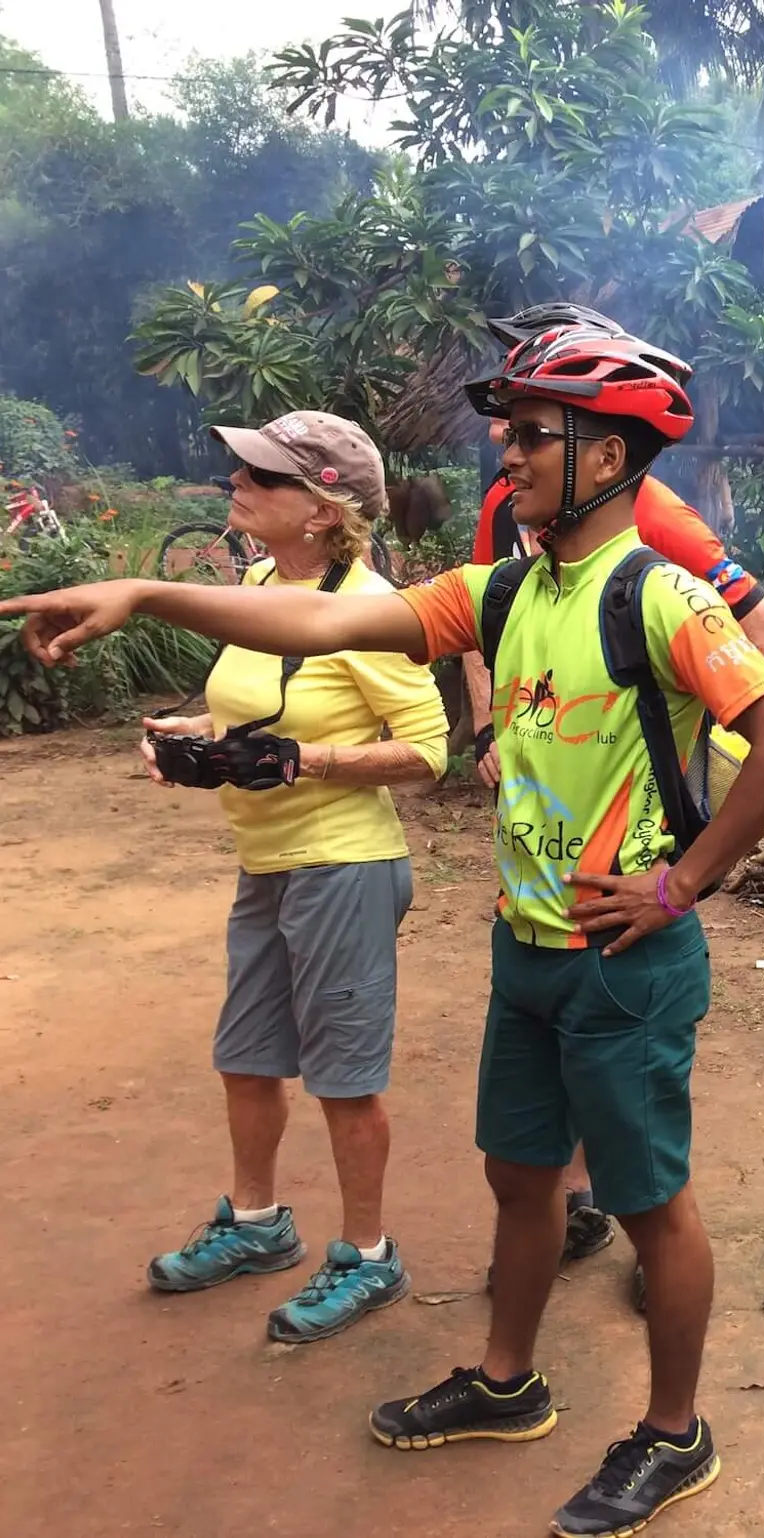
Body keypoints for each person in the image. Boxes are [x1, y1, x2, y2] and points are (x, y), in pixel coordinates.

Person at [1, 328, 764, 1536]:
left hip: (624, 960)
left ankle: (672, 1434)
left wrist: (677, 884)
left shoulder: (660, 590)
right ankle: (506, 1383)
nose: (508, 449)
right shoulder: (506, 587)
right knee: (517, 1176)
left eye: (531, 431)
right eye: (512, 428)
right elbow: (324, 629)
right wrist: (144, 594)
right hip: (524, 945)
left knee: (650, 1205)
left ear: (607, 451)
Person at [462, 304, 764, 1301]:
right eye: (509, 408)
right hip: (536, 888)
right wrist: (499, 731)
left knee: (631, 1111)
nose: (508, 436)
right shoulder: (512, 509)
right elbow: (484, 625)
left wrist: (676, 817)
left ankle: (612, 1208)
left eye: (532, 418)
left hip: (632, 871)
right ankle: (573, 1195)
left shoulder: (650, 519)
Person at [138, 411, 449, 1343]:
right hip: (267, 861)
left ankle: (367, 1254)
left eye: (262, 475)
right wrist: (199, 743)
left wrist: (301, 762)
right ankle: (258, 1223)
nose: (236, 481)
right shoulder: (264, 584)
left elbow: (429, 750)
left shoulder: (367, 610)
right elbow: (254, 714)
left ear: (321, 508)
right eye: (240, 466)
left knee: (343, 1078)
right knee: (247, 1057)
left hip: (344, 866)